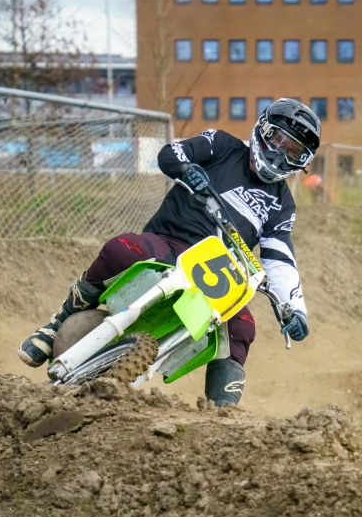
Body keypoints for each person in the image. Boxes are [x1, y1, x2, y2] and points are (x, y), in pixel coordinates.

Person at [18, 98, 321, 405]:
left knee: (244, 326)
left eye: (293, 150)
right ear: (263, 131)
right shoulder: (224, 145)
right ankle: (55, 325)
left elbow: (280, 256)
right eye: (278, 139)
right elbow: (171, 153)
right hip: (170, 241)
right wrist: (187, 169)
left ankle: (222, 417)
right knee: (122, 250)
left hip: (218, 271)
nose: (281, 152)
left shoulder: (282, 203)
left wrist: (295, 310)